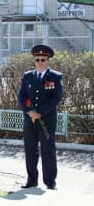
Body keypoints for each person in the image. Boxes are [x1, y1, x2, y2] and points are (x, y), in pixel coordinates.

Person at [18, 45, 63, 190]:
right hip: (30, 120)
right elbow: (22, 96)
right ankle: (32, 180)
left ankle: (50, 182)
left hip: (47, 120)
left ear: (48, 60)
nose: (40, 62)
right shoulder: (27, 76)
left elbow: (55, 99)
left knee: (47, 150)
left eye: (43, 59)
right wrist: (29, 112)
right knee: (30, 150)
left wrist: (39, 113)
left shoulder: (55, 77)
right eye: (37, 59)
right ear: (34, 61)